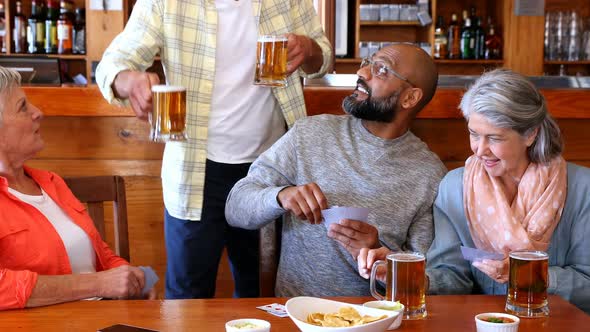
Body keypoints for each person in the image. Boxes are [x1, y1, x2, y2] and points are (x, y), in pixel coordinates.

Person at [95, 0, 332, 299]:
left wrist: (309, 49)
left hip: (269, 174)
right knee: (187, 296)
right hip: (195, 172)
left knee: (258, 292)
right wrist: (129, 82)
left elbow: (323, 58)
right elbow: (113, 64)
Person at [357, 69, 590, 313]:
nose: (480, 150)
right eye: (474, 134)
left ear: (530, 134)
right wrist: (400, 275)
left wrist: (528, 274)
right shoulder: (455, 187)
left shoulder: (582, 189)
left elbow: (586, 285)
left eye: (495, 138)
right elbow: (452, 276)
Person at [225, 43, 446, 297]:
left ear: (410, 97)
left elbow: (423, 284)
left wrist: (377, 252)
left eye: (382, 70)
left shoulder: (428, 174)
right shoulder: (309, 134)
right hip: (296, 315)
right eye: (368, 62)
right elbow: (235, 208)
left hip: (375, 318)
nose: (362, 73)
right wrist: (281, 195)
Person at [0, 67, 155, 310]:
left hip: (99, 318)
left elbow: (99, 254)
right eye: (22, 107)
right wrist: (98, 284)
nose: (38, 113)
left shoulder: (51, 182)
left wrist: (128, 276)